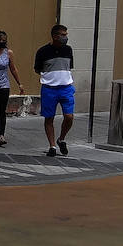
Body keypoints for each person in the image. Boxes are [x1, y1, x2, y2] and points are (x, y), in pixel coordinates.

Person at [35, 23, 75, 157]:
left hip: (66, 87)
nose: (65, 37)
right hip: (49, 89)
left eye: (66, 35)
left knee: (69, 117)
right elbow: (37, 69)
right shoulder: (42, 51)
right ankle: (52, 145)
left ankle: (61, 139)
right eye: (63, 35)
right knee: (49, 118)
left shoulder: (68, 50)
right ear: (54, 36)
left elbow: (70, 67)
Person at [0, 31, 24, 147]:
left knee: (2, 110)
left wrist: (19, 83)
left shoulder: (8, 53)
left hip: (3, 85)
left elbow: (13, 69)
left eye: (3, 41)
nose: (1, 43)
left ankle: (1, 135)